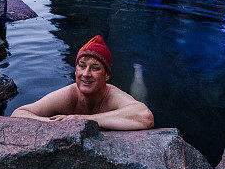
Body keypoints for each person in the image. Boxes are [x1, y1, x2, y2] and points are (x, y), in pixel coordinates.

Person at [11, 35, 154, 130]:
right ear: (75, 71)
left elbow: (145, 117)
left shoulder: (112, 96)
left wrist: (81, 120)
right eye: (81, 66)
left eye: (95, 68)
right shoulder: (68, 94)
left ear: (107, 75)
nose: (86, 74)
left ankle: (138, 73)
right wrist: (54, 124)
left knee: (140, 100)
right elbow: (18, 113)